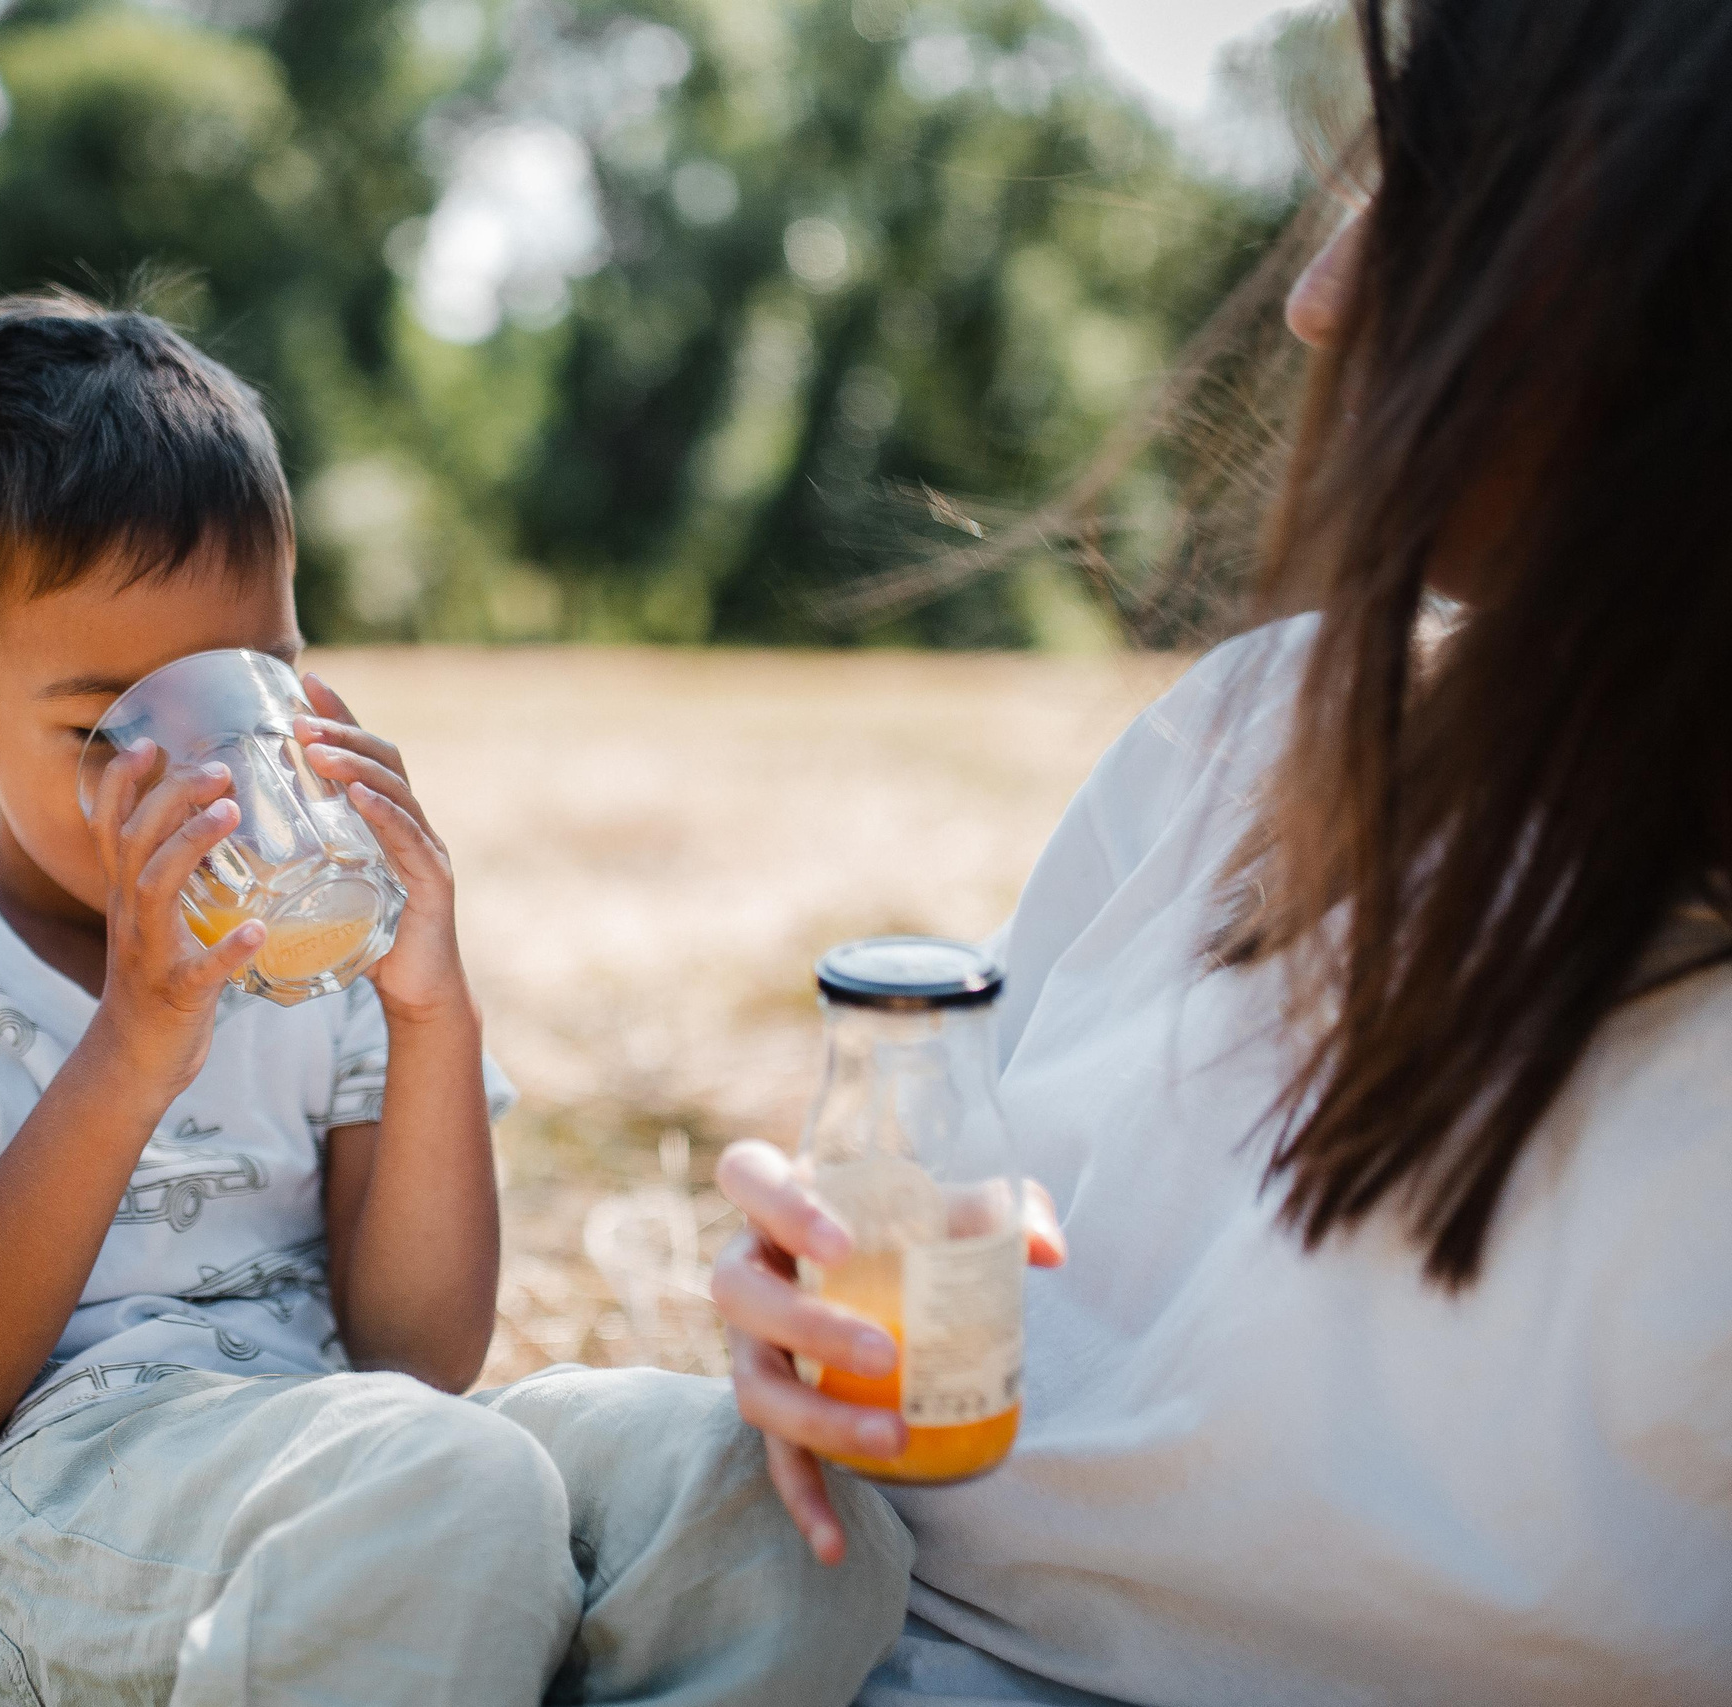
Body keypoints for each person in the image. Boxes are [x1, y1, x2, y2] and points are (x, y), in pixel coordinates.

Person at [712, 2, 1732, 1703]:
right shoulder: (1252, 734)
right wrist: (813, 1318)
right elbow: (966, 1245)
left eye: (1437, 205)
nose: (1323, 299)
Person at [0, 291, 907, 1707]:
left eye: (249, 692)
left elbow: (418, 1353)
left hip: (350, 1464)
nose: (208, 782)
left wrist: (427, 1014)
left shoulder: (315, 951)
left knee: (753, 1493)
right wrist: (130, 1052)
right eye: (115, 729)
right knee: (451, 1498)